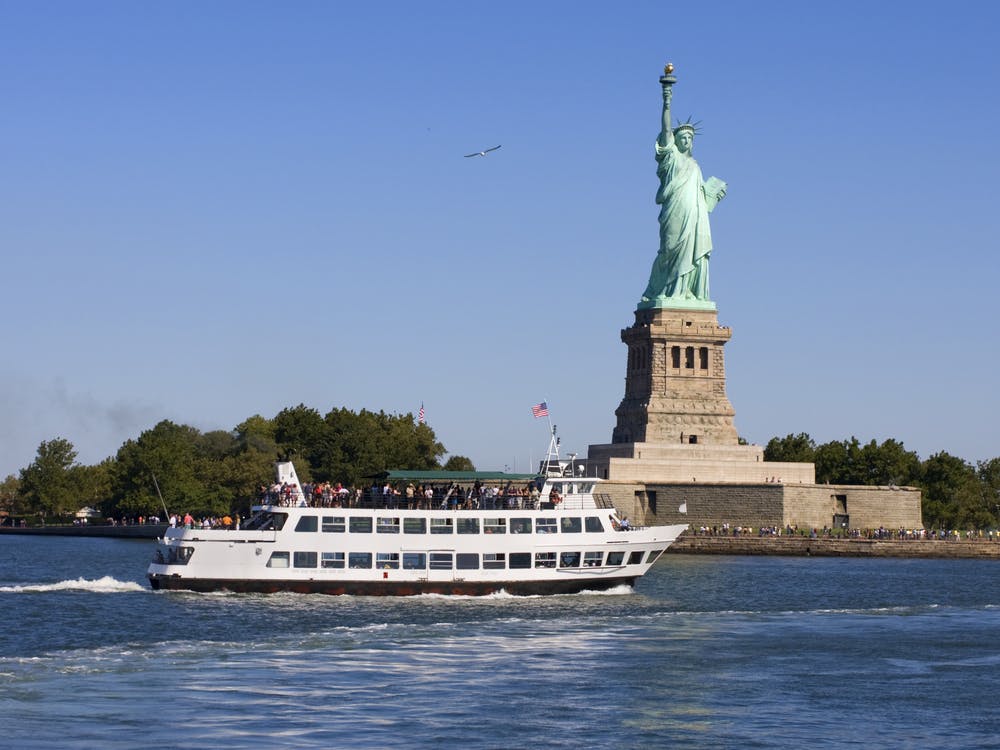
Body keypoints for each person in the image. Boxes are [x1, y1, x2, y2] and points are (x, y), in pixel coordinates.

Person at [640, 69, 727, 305]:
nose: (686, 141)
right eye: (682, 138)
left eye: (690, 138)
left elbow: (702, 199)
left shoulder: (695, 166)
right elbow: (666, 130)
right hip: (675, 212)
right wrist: (666, 99)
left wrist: (713, 196)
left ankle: (688, 291)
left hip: (695, 215)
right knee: (670, 250)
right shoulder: (672, 159)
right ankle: (670, 291)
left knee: (695, 252)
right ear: (675, 141)